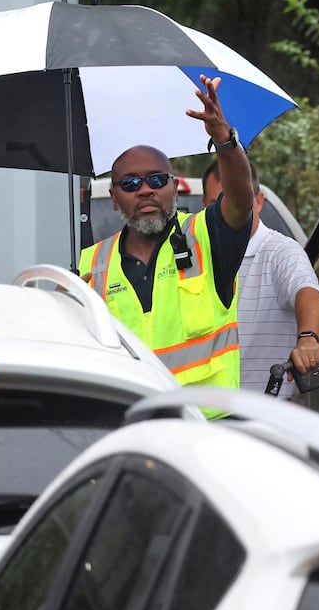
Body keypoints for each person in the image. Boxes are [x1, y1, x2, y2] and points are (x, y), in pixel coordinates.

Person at [78, 75, 256, 396]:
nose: (145, 190)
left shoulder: (206, 236)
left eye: (156, 180)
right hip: (131, 422)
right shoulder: (90, 267)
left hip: (206, 426)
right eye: (130, 184)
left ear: (174, 187)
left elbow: (242, 200)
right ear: (115, 197)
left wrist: (224, 140)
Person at [207, 159, 319, 399]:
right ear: (204, 206)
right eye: (218, 203)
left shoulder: (281, 251)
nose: (231, 212)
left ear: (258, 201)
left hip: (265, 416)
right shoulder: (194, 258)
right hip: (203, 415)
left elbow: (307, 291)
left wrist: (308, 338)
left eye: (239, 200)